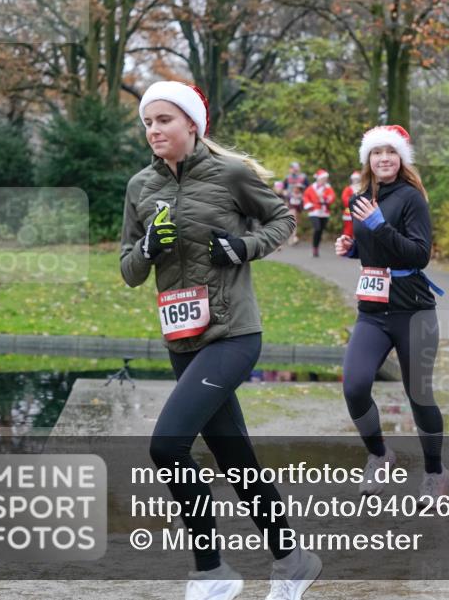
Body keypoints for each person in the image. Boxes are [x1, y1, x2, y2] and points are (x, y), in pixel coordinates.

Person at [122, 81, 320, 600]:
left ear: (191, 124)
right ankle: (293, 559)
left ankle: (212, 572)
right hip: (181, 339)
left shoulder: (229, 173)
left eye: (164, 119)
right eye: (148, 122)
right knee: (237, 459)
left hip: (233, 334)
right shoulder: (140, 187)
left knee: (167, 446)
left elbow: (283, 219)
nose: (154, 130)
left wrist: (242, 247)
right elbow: (128, 270)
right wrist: (145, 247)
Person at [334, 124, 449, 502]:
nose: (384, 158)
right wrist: (352, 247)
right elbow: (375, 251)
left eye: (391, 152)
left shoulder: (412, 198)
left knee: (419, 394)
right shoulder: (359, 198)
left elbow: (418, 254)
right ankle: (380, 455)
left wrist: (379, 226)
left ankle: (435, 473)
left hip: (413, 311)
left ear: (401, 159)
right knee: (354, 386)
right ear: (368, 159)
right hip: (372, 311)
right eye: (377, 152)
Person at [302, 169, 335, 257]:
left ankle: (316, 247)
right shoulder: (311, 188)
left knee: (320, 230)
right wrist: (309, 205)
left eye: (326, 178)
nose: (325, 180)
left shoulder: (328, 188)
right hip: (314, 211)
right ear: (318, 179)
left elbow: (332, 197)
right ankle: (314, 248)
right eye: (323, 178)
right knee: (317, 228)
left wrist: (324, 198)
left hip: (324, 212)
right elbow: (305, 197)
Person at [283, 162, 308, 246]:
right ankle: (292, 238)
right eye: (292, 168)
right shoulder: (287, 177)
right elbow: (283, 188)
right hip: (290, 201)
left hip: (300, 202)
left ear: (298, 168)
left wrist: (302, 195)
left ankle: (292, 236)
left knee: (297, 220)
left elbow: (308, 189)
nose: (293, 170)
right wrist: (286, 193)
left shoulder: (303, 177)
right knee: (292, 218)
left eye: (295, 168)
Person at [341, 170, 362, 238]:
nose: (355, 180)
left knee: (359, 230)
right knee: (348, 230)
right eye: (354, 179)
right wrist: (354, 202)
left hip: (361, 211)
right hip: (349, 212)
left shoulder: (363, 188)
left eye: (357, 179)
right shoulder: (348, 189)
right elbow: (344, 199)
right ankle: (346, 244)